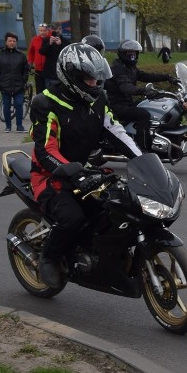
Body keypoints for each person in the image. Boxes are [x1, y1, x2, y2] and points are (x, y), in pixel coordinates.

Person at [30, 43, 142, 287]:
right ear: (71, 77)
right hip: (50, 176)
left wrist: (143, 160)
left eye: (97, 79)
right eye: (89, 79)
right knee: (72, 218)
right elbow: (45, 150)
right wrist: (73, 172)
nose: (95, 83)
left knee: (113, 210)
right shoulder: (46, 104)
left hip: (82, 171)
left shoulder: (98, 99)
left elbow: (116, 131)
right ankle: (48, 258)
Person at [105, 39, 177, 150]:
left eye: (134, 53)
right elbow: (125, 87)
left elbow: (145, 76)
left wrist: (167, 77)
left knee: (151, 105)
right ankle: (140, 148)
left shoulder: (130, 67)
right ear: (123, 54)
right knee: (144, 115)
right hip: (116, 105)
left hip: (127, 103)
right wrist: (144, 91)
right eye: (130, 54)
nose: (132, 56)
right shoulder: (118, 68)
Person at [0, 31, 30, 133]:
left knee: (18, 104)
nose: (12, 42)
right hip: (5, 85)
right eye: (10, 41)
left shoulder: (21, 55)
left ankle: (19, 126)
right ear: (5, 42)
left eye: (14, 41)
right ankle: (8, 126)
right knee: (7, 106)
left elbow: (26, 69)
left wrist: (23, 79)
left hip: (18, 85)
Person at [39, 23, 70, 90]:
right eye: (55, 30)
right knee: (49, 95)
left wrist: (61, 44)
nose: (58, 31)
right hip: (49, 73)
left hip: (62, 74)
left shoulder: (66, 41)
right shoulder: (47, 40)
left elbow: (69, 54)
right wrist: (49, 44)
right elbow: (41, 52)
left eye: (59, 29)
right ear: (51, 30)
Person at [28, 23, 49, 93]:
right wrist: (30, 63)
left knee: (48, 90)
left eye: (44, 30)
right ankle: (40, 103)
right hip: (38, 69)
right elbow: (31, 53)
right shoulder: (35, 40)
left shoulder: (51, 39)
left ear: (47, 30)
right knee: (39, 90)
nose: (42, 32)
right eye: (41, 31)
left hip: (48, 69)